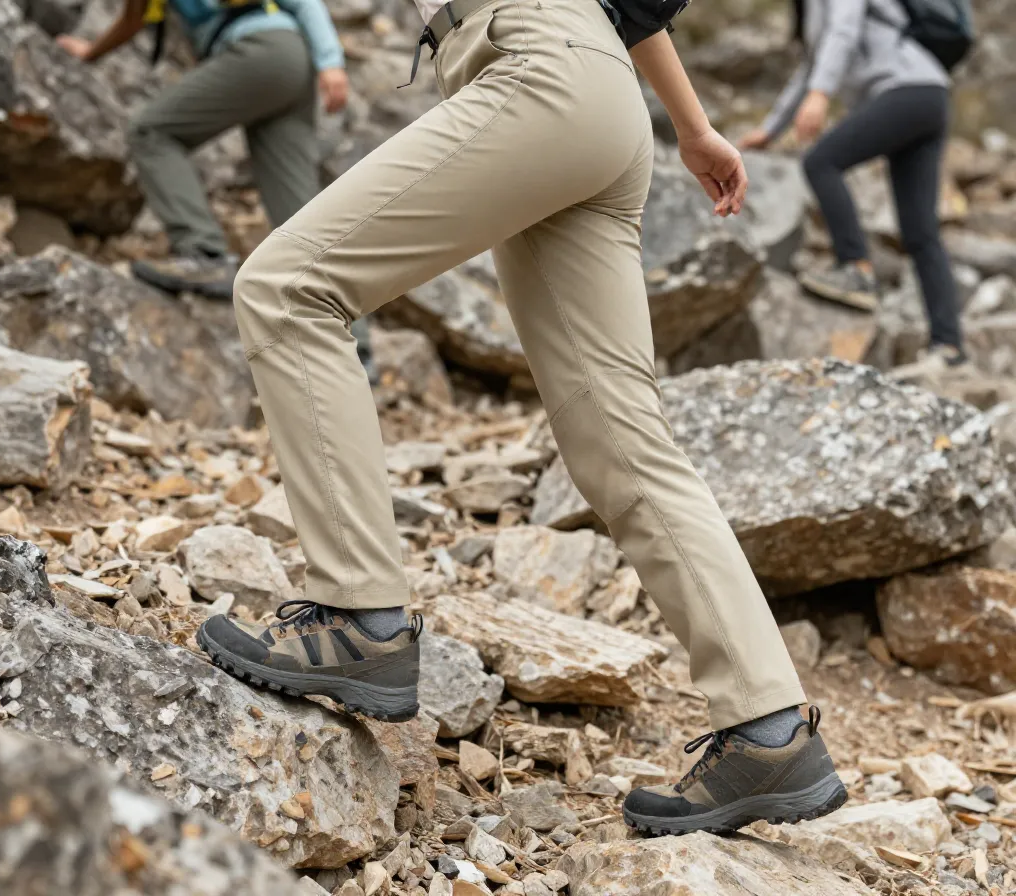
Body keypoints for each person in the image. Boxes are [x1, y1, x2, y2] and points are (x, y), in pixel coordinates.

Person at [195, 0, 848, 835]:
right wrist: (693, 126)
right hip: (601, 97)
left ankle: (358, 617)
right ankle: (768, 728)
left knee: (288, 288)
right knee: (623, 444)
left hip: (534, 66)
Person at [57, 0, 377, 378]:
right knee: (299, 216)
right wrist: (325, 61)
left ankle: (202, 253)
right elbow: (134, 17)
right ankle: (355, 348)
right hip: (291, 59)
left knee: (151, 131)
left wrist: (333, 61)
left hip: (260, 53)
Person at [741, 0, 964, 375]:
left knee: (821, 162)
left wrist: (821, 94)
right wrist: (771, 128)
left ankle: (856, 267)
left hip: (907, 91)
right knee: (920, 232)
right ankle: (950, 345)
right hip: (927, 93)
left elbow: (843, 31)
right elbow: (813, 64)